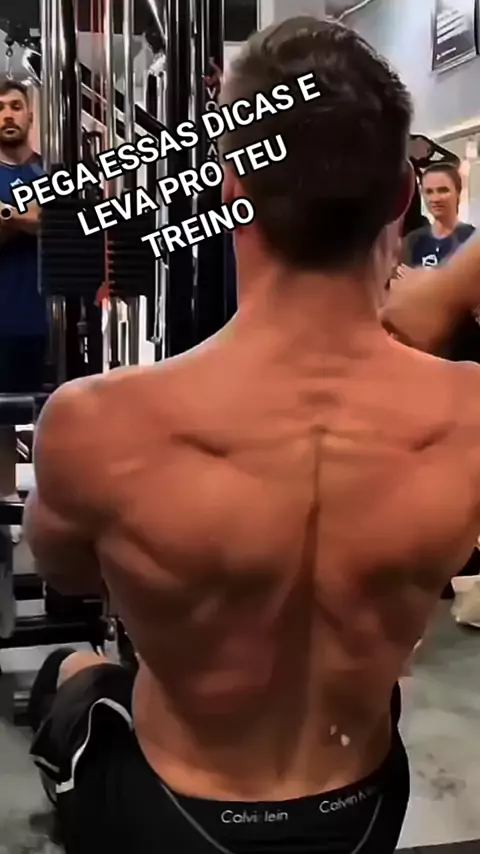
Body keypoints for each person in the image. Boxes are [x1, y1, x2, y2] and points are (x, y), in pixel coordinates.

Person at [22, 18, 480, 854]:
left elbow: (68, 574)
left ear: (231, 186)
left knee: (75, 672)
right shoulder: (470, 416)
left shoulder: (92, 422)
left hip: (177, 819)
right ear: (402, 198)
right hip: (362, 812)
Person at [0, 78, 46, 525]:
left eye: (15, 106)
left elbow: (65, 222)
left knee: (58, 415)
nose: (8, 115)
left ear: (30, 114)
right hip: (5, 317)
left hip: (54, 318)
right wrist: (29, 218)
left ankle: (52, 506)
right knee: (2, 418)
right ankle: (6, 501)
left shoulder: (51, 173)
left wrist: (9, 215)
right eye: (0, 109)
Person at [400, 162, 475, 273]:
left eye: (443, 190)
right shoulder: (411, 242)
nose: (435, 199)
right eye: (429, 192)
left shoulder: (473, 241)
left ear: (458, 192)